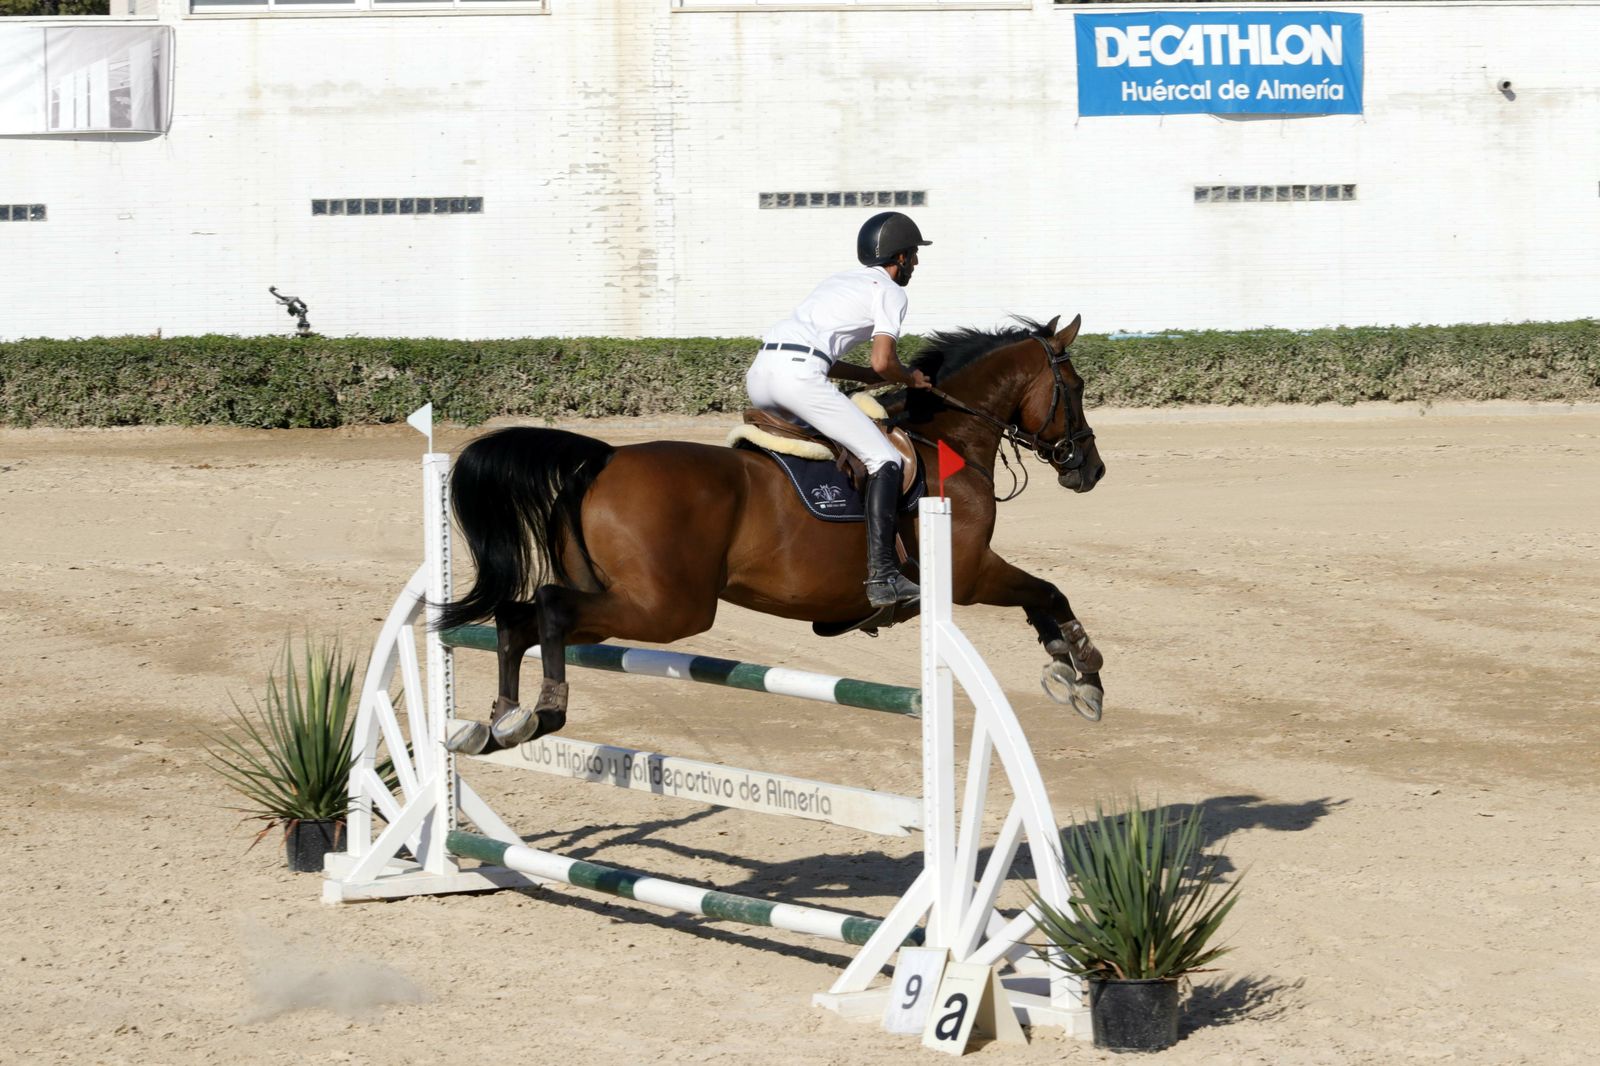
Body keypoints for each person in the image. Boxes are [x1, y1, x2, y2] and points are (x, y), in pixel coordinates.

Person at [746, 210, 933, 609]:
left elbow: (830, 354)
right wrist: (908, 379)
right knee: (884, 459)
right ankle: (883, 575)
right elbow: (886, 362)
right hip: (800, 377)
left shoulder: (838, 282)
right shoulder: (892, 292)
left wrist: (863, 375)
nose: (915, 263)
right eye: (913, 255)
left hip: (762, 372)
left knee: (830, 445)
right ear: (898, 258)